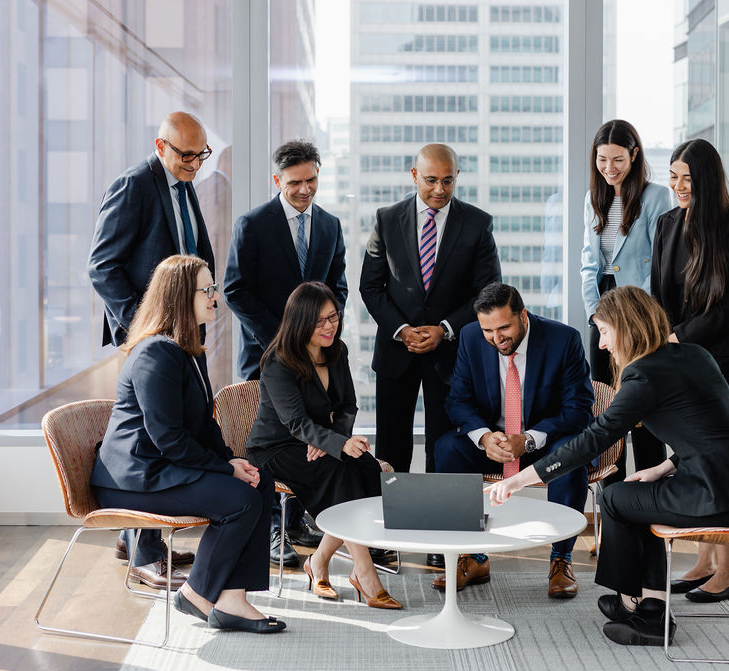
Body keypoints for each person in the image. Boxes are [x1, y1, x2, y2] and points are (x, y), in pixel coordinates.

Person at [485, 286, 729, 647]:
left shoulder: (642, 376)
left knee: (616, 499)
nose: (602, 345)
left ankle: (648, 611)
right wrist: (663, 468)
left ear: (625, 328)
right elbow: (714, 431)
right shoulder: (694, 354)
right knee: (634, 495)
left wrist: (519, 480)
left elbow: (592, 440)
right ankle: (638, 598)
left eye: (605, 332)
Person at [90, 255, 284, 634]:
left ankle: (232, 599)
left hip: (162, 467)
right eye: (207, 289)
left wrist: (234, 461)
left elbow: (203, 428)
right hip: (132, 481)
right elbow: (169, 439)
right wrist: (226, 469)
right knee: (240, 500)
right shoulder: (155, 353)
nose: (216, 296)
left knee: (258, 482)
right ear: (181, 297)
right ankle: (197, 592)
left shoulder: (187, 350)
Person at [88, 111, 217, 589]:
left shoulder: (183, 185)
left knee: (180, 423)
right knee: (150, 436)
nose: (194, 163)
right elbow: (102, 265)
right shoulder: (135, 185)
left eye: (201, 154)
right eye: (185, 154)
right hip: (152, 337)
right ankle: (143, 551)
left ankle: (137, 536)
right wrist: (140, 329)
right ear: (160, 147)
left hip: (184, 330)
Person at [360, 143, 501, 568]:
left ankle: (446, 544)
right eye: (431, 180)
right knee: (393, 447)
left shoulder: (477, 224)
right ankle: (387, 539)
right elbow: (372, 287)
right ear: (413, 175)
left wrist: (443, 330)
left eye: (448, 180)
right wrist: (403, 330)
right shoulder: (386, 220)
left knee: (446, 449)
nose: (440, 189)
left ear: (458, 175)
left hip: (451, 353)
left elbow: (486, 290)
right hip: (397, 350)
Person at [224, 139, 347, 567]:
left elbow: (339, 286)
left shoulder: (329, 225)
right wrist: (285, 339)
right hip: (266, 353)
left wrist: (321, 334)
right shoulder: (253, 224)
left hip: (316, 359)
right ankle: (271, 526)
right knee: (272, 440)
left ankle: (297, 521)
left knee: (308, 436)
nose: (305, 190)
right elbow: (236, 290)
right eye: (295, 182)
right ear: (277, 180)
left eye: (312, 180)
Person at [246, 282, 403, 610]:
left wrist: (336, 440)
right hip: (275, 449)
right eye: (320, 321)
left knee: (367, 468)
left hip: (316, 440)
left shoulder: (337, 351)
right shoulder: (278, 362)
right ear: (300, 321)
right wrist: (337, 445)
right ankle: (364, 572)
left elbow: (348, 405)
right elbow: (296, 424)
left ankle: (318, 562)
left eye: (334, 317)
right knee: (344, 472)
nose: (330, 326)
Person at [434, 282, 593, 598]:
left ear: (522, 315)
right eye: (488, 331)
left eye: (503, 327)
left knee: (570, 456)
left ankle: (561, 559)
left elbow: (578, 410)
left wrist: (529, 440)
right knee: (447, 448)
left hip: (544, 443)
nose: (496, 338)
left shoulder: (564, 340)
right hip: (495, 443)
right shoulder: (469, 337)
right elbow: (458, 401)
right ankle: (473, 555)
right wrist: (485, 437)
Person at [652, 138, 729, 603]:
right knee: (690, 457)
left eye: (687, 179)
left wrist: (680, 337)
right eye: (673, 176)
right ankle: (703, 561)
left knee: (717, 456)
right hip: (681, 357)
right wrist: (663, 340)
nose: (677, 186)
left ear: (707, 181)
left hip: (727, 358)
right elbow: (659, 296)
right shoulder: (666, 223)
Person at [580, 120, 672, 484]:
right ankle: (612, 514)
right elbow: (589, 261)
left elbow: (660, 262)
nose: (609, 168)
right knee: (607, 409)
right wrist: (594, 314)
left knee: (644, 404)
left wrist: (635, 315)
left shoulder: (656, 196)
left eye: (618, 159)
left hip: (639, 314)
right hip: (602, 312)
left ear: (635, 155)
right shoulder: (593, 197)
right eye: (602, 159)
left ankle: (653, 507)